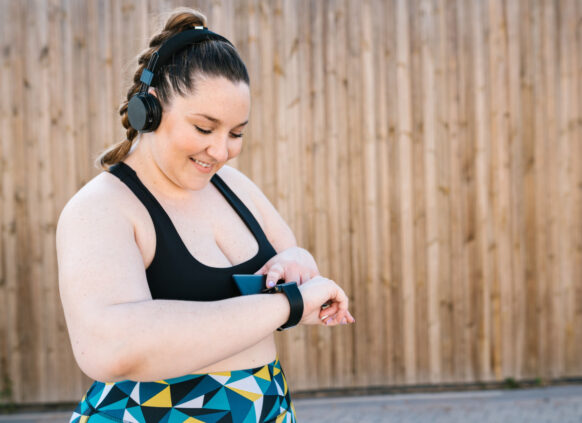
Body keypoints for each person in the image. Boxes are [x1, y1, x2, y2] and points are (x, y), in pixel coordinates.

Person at [57, 7, 354, 423]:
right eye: (203, 128)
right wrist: (285, 306)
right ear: (151, 108)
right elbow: (110, 348)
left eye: (236, 134)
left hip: (262, 405)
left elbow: (295, 283)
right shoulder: (101, 208)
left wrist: (299, 265)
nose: (220, 151)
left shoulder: (235, 186)